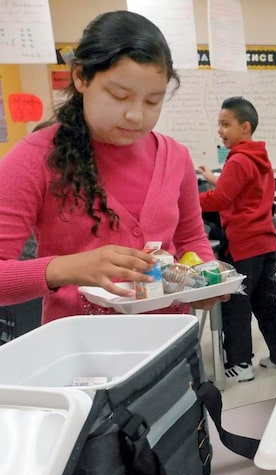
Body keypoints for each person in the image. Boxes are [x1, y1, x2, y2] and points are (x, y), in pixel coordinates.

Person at [0, 10, 220, 323]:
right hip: (81, 349)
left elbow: (192, 240)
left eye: (152, 101)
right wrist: (65, 268)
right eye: (119, 96)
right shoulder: (34, 157)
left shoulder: (175, 157)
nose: (135, 115)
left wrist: (204, 277)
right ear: (80, 77)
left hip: (169, 341)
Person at [198, 97, 276, 382]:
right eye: (219, 124)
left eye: (226, 124)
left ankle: (240, 364)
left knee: (236, 303)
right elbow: (241, 191)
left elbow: (221, 199)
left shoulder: (237, 160)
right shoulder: (258, 156)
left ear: (245, 126)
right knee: (266, 301)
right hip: (264, 241)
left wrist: (187, 198)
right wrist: (216, 179)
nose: (220, 130)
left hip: (243, 243)